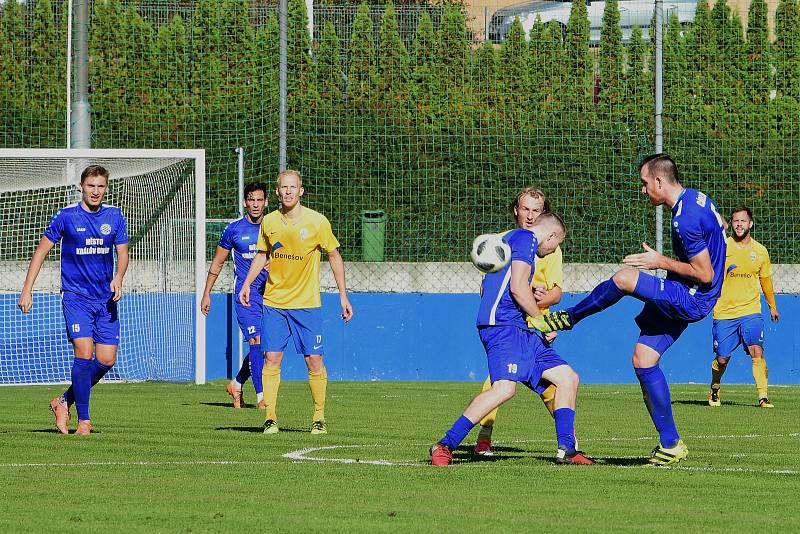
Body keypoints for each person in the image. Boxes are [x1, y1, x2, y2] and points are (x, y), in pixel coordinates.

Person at [530, 153, 726, 465]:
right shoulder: (697, 199)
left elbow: (705, 274)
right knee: (644, 359)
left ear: (659, 182)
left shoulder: (685, 218)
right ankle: (671, 444)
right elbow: (720, 229)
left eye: (645, 183)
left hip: (692, 296)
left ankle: (568, 318)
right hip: (692, 292)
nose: (643, 190)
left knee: (623, 279)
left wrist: (659, 262)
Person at [430, 212, 594, 466]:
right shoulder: (527, 238)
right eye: (556, 244)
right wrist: (541, 319)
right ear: (550, 235)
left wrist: (534, 306)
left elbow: (512, 286)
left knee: (568, 378)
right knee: (504, 389)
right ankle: (445, 444)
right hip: (503, 326)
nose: (553, 251)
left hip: (520, 328)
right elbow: (517, 287)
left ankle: (568, 450)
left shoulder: (516, 239)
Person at [239, 169, 353, 435]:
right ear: (277, 192)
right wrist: (246, 284)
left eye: (293, 187)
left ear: (301, 191)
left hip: (307, 304)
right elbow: (261, 255)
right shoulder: (269, 222)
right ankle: (270, 418)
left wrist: (343, 295)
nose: (288, 191)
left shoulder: (317, 222)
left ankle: (319, 418)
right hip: (274, 302)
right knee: (272, 358)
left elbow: (334, 256)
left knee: (314, 360)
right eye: (284, 187)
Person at [18, 165, 129, 435]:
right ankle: (84, 421)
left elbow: (123, 254)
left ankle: (63, 401)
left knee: (106, 360)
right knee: (84, 352)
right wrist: (27, 289)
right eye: (91, 185)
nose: (95, 191)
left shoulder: (114, 216)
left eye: (100, 186)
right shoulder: (66, 216)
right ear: (82, 186)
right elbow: (41, 251)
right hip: (76, 298)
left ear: (106, 188)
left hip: (105, 300)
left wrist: (119, 277)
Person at [474, 187, 565, 457]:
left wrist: (542, 297)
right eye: (525, 209)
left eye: (536, 211)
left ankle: (567, 439)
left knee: (554, 384)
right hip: (509, 324)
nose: (530, 215)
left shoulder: (551, 246)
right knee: (498, 382)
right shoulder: (502, 241)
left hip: (536, 323)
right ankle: (483, 437)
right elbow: (491, 286)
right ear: (516, 210)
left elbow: (557, 292)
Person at [201, 182, 269, 409]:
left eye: (260, 200)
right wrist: (207, 293)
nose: (256, 204)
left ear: (266, 202)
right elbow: (218, 262)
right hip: (246, 297)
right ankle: (262, 398)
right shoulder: (234, 229)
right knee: (256, 342)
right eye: (251, 199)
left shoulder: (275, 227)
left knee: (267, 349)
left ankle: (237, 383)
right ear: (245, 202)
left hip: (272, 296)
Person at [707, 206, 779, 408]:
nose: (739, 224)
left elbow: (765, 281)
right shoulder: (722, 247)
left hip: (751, 311)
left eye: (743, 221)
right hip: (725, 312)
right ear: (731, 224)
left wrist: (772, 306)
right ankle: (714, 387)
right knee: (721, 359)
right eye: (735, 221)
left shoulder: (761, 251)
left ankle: (763, 397)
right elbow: (709, 272)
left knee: (757, 350)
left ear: (751, 224)